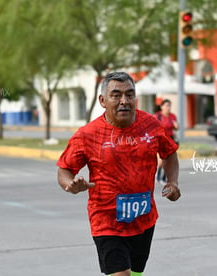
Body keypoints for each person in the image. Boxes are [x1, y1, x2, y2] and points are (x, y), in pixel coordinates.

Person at [57, 72, 181, 276]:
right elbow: (64, 170)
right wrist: (70, 184)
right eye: (116, 95)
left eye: (129, 95)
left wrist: (173, 182)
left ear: (136, 99)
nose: (124, 101)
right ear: (102, 101)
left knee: (135, 274)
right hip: (107, 221)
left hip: (144, 219)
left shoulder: (150, 125)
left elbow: (169, 153)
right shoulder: (87, 135)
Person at [153, 99, 178, 185]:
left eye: (169, 105)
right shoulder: (157, 116)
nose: (168, 107)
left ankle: (164, 178)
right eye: (166, 105)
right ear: (162, 106)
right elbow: (152, 127)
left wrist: (176, 126)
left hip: (170, 139)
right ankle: (157, 175)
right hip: (160, 139)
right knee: (160, 161)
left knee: (168, 160)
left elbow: (176, 127)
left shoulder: (172, 116)